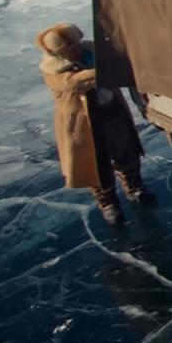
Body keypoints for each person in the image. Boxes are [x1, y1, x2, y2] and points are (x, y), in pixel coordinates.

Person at [36, 22, 155, 225]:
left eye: (76, 44)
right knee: (96, 164)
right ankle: (107, 203)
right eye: (70, 48)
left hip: (112, 111)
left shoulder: (92, 52)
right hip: (85, 125)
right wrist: (107, 68)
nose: (77, 49)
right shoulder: (54, 71)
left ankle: (135, 187)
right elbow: (75, 83)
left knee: (126, 152)